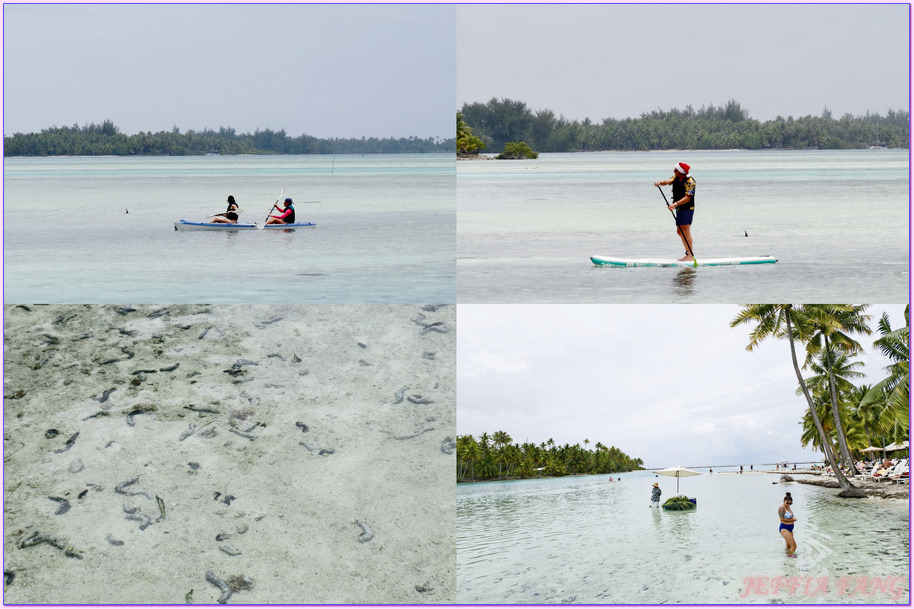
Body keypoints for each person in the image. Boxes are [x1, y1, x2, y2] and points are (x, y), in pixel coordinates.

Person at [653, 162, 696, 262]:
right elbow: (667, 181)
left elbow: (687, 198)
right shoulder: (676, 178)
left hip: (687, 208)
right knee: (679, 231)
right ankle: (688, 253)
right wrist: (659, 182)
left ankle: (690, 255)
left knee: (685, 230)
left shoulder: (690, 181)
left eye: (675, 170)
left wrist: (675, 204)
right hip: (679, 207)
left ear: (680, 171)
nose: (674, 171)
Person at [778, 492, 797, 557]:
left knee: (788, 547)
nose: (789, 504)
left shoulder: (788, 507)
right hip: (784, 528)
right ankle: (790, 560)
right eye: (787, 503)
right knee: (794, 546)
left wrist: (793, 518)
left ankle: (786, 558)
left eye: (790, 503)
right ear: (784, 501)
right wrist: (792, 520)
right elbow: (782, 519)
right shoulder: (782, 508)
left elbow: (789, 516)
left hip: (790, 529)